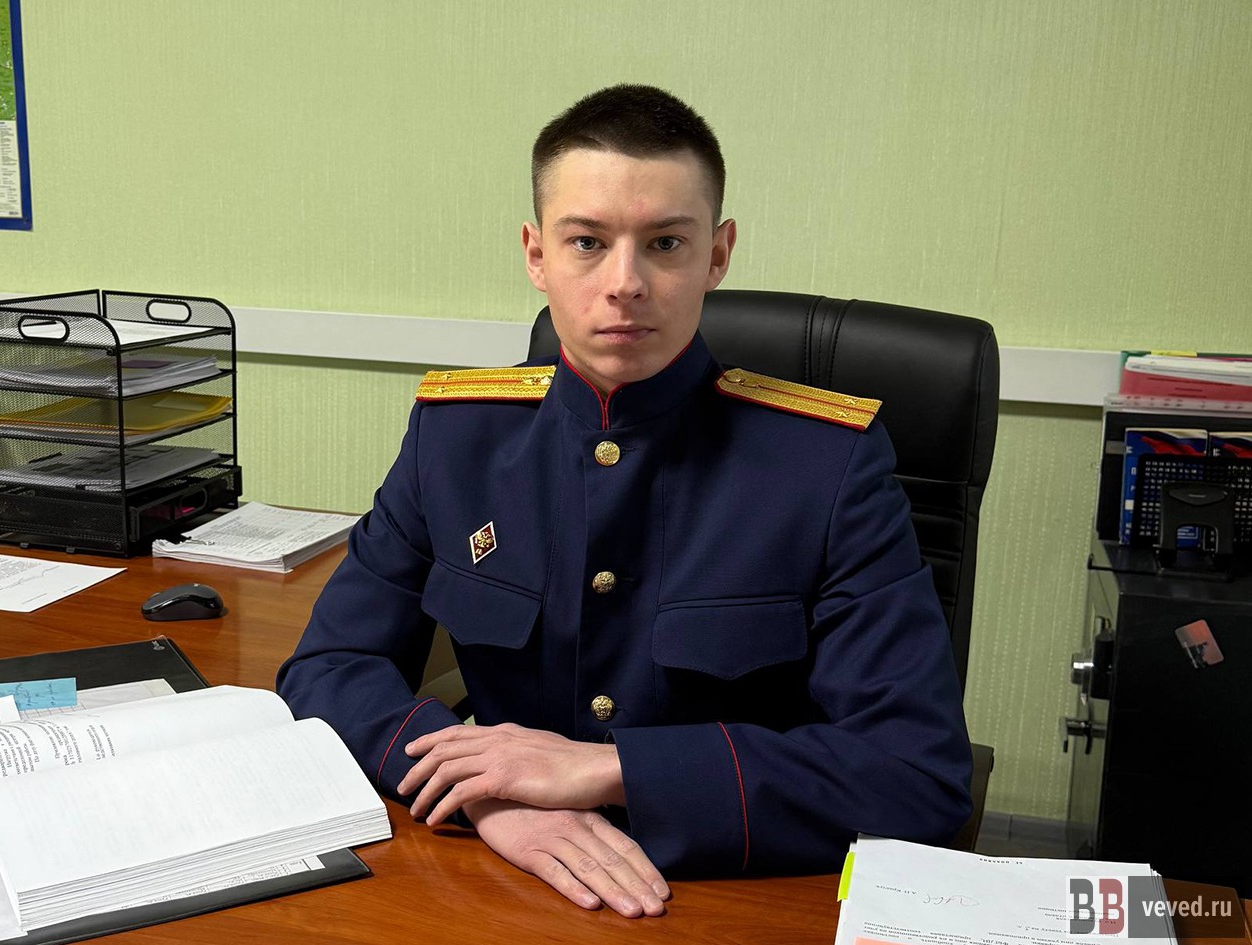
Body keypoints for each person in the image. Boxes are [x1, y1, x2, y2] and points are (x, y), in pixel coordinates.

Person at [278, 84, 972, 918]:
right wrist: (486, 791)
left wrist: (609, 769)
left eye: (666, 243)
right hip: (495, 884)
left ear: (718, 254)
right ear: (537, 254)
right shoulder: (456, 437)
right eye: (587, 242)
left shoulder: (827, 465)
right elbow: (328, 668)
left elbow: (916, 773)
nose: (625, 283)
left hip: (724, 895)